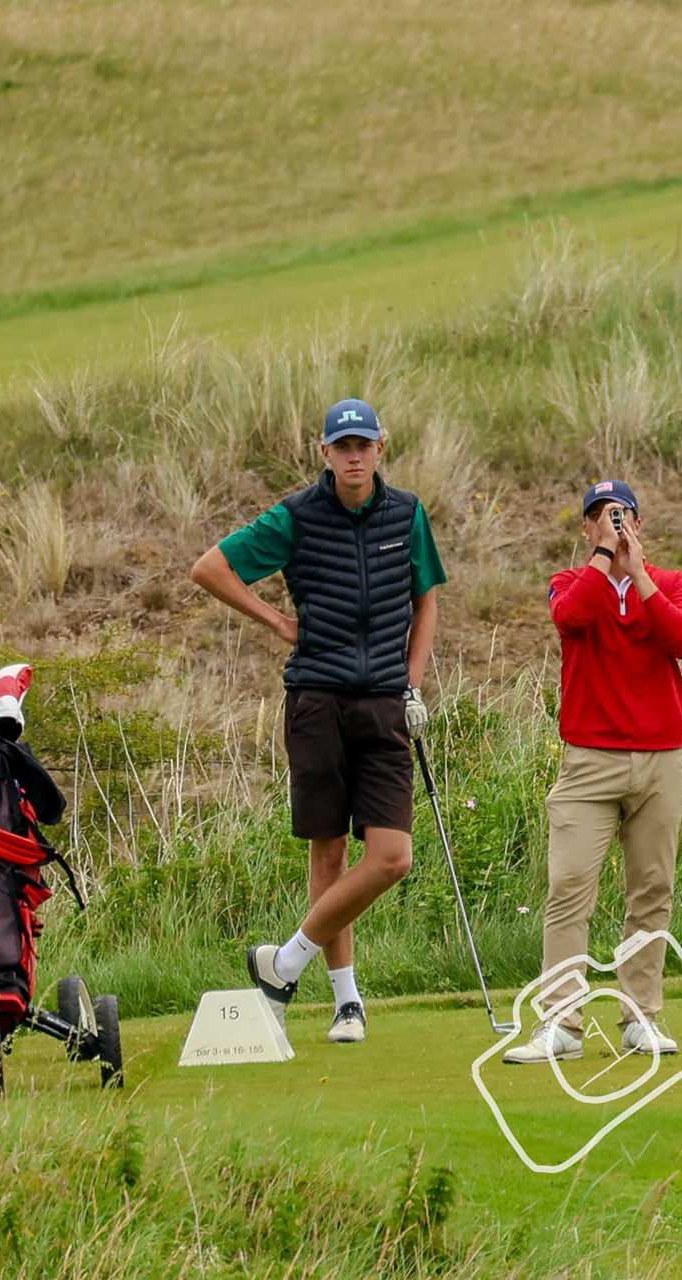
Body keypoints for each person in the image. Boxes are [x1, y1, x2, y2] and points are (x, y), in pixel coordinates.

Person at [189, 398, 445, 1045]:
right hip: (317, 701)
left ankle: (285, 962)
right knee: (328, 851)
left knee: (391, 857)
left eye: (364, 444)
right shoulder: (297, 517)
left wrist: (413, 682)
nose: (354, 456)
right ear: (324, 453)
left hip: (386, 702)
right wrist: (276, 621)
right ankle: (347, 1002)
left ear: (381, 448)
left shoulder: (407, 514)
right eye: (343, 446)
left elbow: (427, 600)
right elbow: (210, 568)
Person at [503, 480, 682, 1065]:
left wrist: (638, 573)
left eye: (621, 517)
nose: (611, 527)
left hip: (662, 758)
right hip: (589, 760)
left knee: (651, 891)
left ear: (639, 525)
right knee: (569, 889)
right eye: (600, 518)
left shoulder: (669, 584)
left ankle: (641, 1017)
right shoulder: (570, 583)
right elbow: (571, 620)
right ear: (586, 529)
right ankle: (562, 1024)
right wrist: (601, 561)